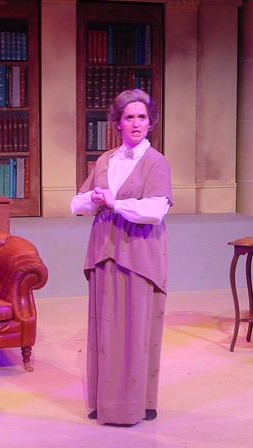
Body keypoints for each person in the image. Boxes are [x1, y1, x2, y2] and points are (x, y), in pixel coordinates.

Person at [71, 89, 173, 426]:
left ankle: (139, 402)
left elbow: (156, 209)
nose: (136, 123)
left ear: (150, 122)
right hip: (105, 251)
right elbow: (77, 203)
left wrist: (115, 203)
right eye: (129, 117)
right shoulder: (105, 160)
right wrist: (95, 199)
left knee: (137, 330)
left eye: (142, 117)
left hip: (139, 253)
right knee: (105, 328)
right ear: (117, 123)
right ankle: (104, 401)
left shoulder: (156, 162)